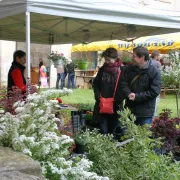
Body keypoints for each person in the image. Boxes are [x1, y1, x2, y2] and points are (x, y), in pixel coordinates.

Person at [119, 47, 161, 126]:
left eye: (134, 56)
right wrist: (128, 93)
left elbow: (155, 91)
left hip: (145, 113)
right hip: (129, 110)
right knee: (125, 136)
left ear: (142, 57)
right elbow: (123, 83)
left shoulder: (154, 71)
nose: (132, 58)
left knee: (143, 137)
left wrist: (136, 96)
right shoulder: (129, 69)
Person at [93, 48, 124, 136]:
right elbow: (96, 83)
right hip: (102, 103)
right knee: (102, 129)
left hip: (116, 105)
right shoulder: (102, 69)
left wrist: (118, 99)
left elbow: (124, 87)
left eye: (108, 60)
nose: (107, 62)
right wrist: (98, 95)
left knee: (113, 129)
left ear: (115, 58)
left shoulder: (122, 70)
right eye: (106, 60)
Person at [151, 50, 161, 117]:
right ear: (156, 56)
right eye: (159, 55)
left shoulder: (148, 61)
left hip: (148, 83)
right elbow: (159, 74)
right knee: (156, 99)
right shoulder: (158, 63)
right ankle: (154, 115)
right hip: (156, 83)